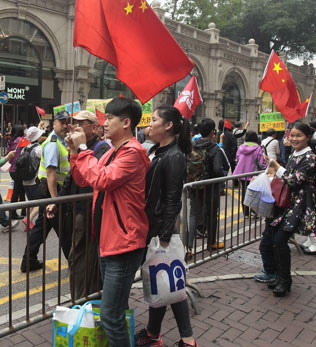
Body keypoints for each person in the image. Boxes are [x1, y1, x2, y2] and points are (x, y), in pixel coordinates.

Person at [66, 97, 150, 347]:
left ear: (126, 122)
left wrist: (83, 151)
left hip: (124, 244)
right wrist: (74, 152)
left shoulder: (133, 152)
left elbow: (102, 179)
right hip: (107, 239)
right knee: (116, 309)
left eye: (110, 118)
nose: (105, 122)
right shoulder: (113, 151)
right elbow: (85, 180)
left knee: (110, 315)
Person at [135, 106, 197, 347]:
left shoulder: (174, 156)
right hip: (153, 225)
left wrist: (163, 235)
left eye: (154, 120)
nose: (149, 124)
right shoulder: (158, 151)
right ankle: (153, 334)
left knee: (169, 282)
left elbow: (172, 198)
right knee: (161, 282)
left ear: (168, 125)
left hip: (161, 228)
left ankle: (188, 339)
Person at [265, 121, 316, 297]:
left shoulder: (310, 158)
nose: (295, 139)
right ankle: (279, 276)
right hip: (286, 203)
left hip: (300, 205)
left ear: (308, 137)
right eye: (293, 135)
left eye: (299, 135)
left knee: (281, 240)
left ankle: (285, 281)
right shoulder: (293, 154)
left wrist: (277, 166)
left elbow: (293, 180)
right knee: (274, 240)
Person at [60, 110, 110, 300]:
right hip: (76, 208)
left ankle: (84, 300)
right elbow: (74, 178)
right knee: (77, 257)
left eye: (81, 123)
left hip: (91, 212)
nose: (75, 126)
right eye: (74, 122)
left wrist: (79, 148)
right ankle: (80, 298)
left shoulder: (101, 148)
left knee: (83, 258)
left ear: (95, 127)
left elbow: (92, 179)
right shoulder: (80, 147)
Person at [20, 110, 72, 272]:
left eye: (67, 122)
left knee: (41, 227)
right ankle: (74, 263)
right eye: (62, 122)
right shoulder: (53, 144)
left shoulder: (62, 142)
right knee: (65, 230)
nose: (65, 125)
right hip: (53, 191)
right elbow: (51, 174)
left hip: (52, 192)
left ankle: (28, 260)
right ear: (54, 123)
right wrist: (55, 200)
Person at [189, 119, 228, 250]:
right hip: (210, 187)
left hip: (194, 185)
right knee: (211, 214)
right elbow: (218, 169)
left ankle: (188, 247)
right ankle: (211, 243)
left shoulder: (192, 145)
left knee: (194, 214)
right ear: (212, 132)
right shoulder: (214, 147)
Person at [233, 130, 267, 217]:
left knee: (244, 192)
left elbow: (237, 159)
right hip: (253, 174)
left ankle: (245, 213)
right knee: (254, 193)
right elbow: (261, 163)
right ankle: (253, 211)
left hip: (241, 173)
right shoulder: (258, 148)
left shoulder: (241, 147)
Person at [19, 126, 45, 230]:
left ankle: (28, 222)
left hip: (25, 181)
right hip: (35, 180)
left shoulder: (24, 148)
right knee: (39, 203)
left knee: (31, 203)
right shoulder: (38, 149)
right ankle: (28, 219)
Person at [7, 124, 28, 219]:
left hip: (12, 169)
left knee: (21, 189)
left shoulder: (10, 141)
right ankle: (13, 212)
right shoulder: (21, 140)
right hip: (19, 169)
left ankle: (23, 210)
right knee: (17, 191)